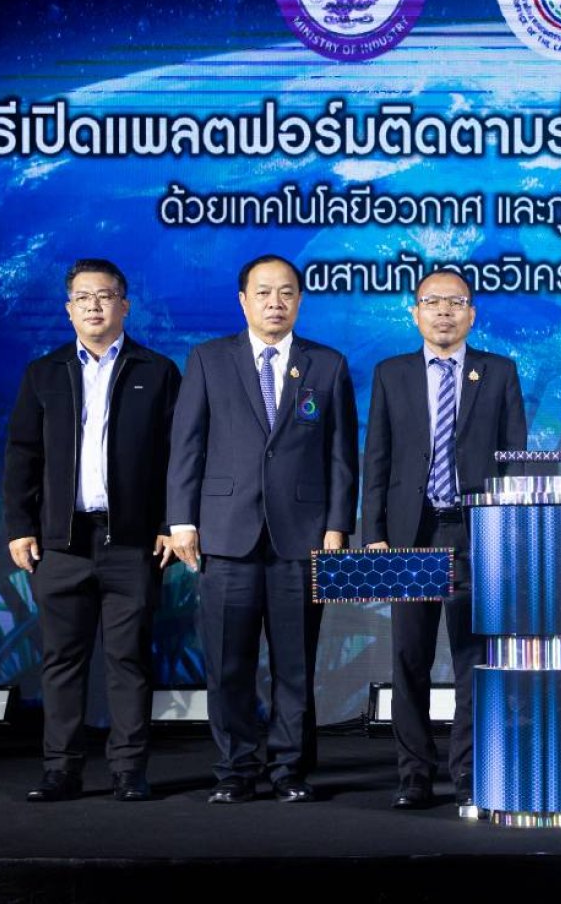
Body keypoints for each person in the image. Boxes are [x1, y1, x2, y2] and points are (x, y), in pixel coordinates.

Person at [166, 254, 358, 804]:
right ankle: (235, 770)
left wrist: (337, 526)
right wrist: (182, 520)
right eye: (264, 292)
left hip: (302, 536)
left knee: (295, 664)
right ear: (243, 300)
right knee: (229, 664)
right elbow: (187, 445)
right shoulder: (208, 359)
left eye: (287, 292)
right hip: (226, 534)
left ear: (299, 300)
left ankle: (288, 770)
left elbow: (342, 455)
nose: (276, 302)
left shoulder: (327, 364)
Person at [3, 259, 181, 803]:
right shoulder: (44, 372)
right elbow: (22, 455)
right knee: (61, 661)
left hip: (132, 542)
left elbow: (178, 457)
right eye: (83, 298)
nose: (94, 306)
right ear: (68, 310)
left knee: (129, 660)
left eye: (104, 296)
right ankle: (61, 769)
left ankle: (129, 770)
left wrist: (170, 523)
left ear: (125, 305)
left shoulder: (158, 371)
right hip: (62, 543)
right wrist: (20, 526)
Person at [363, 270, 527, 809]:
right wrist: (374, 534)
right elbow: (377, 459)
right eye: (432, 302)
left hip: (475, 531)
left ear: (471, 314)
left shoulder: (498, 372)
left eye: (455, 303)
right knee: (408, 658)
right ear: (415, 313)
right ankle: (413, 774)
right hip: (411, 533)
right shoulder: (391, 374)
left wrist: (507, 531)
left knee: (472, 659)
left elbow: (513, 459)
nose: (444, 312)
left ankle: (470, 773)